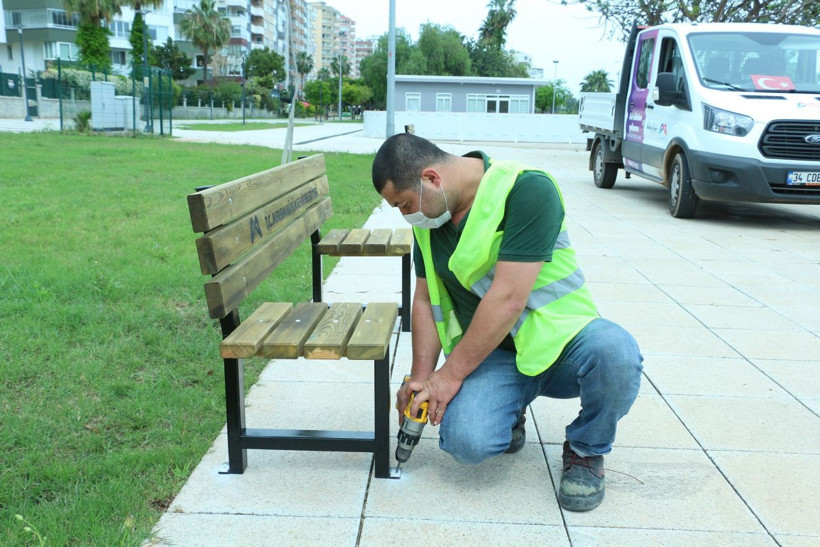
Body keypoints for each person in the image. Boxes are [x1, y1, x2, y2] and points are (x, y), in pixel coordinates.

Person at [372, 133, 643, 512]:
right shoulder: (431, 220)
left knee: (617, 353)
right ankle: (510, 410)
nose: (407, 216)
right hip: (492, 354)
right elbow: (424, 297)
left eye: (404, 204)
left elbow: (509, 299)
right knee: (466, 443)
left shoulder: (527, 189)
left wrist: (447, 377)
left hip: (562, 343)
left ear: (431, 178)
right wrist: (421, 377)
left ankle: (586, 449)